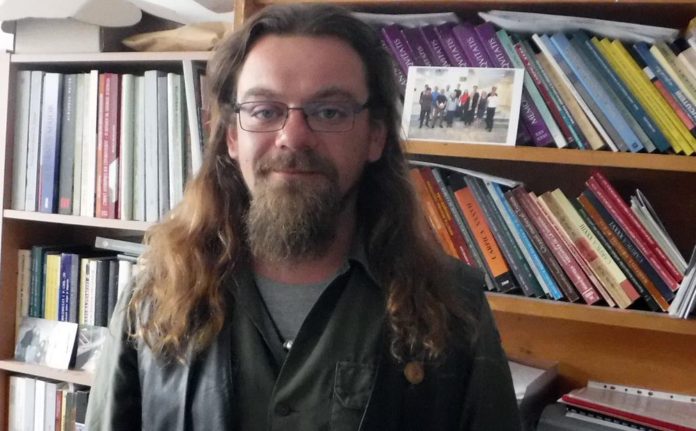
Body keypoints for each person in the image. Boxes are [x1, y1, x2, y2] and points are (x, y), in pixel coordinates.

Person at [86, 4, 521, 431]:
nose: (293, 137)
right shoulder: (154, 296)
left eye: (329, 112)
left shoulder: (453, 307)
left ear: (375, 136)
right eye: (265, 110)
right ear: (233, 135)